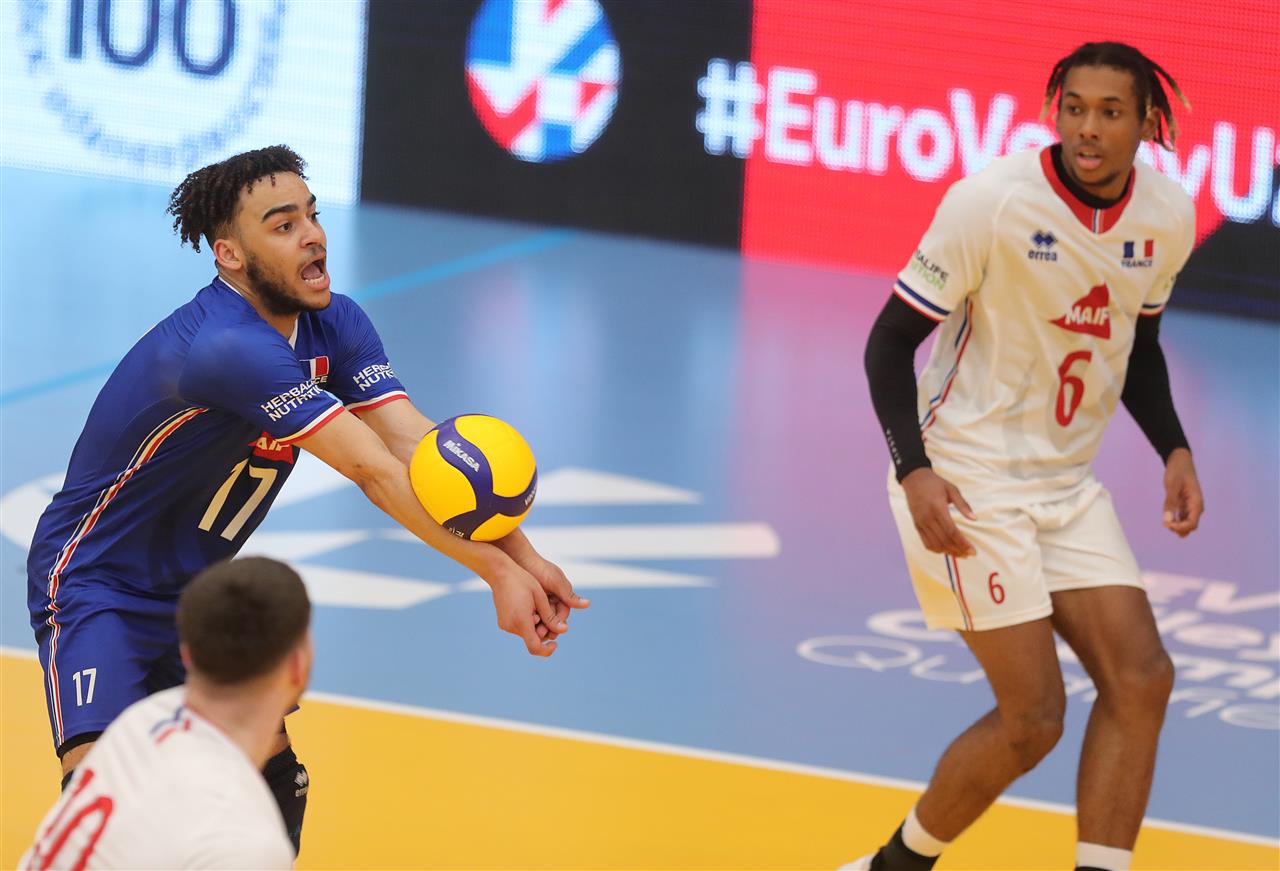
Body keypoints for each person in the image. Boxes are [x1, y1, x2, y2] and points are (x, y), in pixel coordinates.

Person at [26, 145, 588, 853]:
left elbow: (419, 451)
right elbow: (372, 470)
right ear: (230, 254)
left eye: (312, 216)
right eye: (283, 225)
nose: (313, 236)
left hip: (195, 590)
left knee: (273, 782)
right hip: (96, 581)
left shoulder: (335, 324)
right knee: (106, 798)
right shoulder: (227, 346)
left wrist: (526, 559)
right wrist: (497, 573)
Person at [854, 43, 1204, 871]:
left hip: (1066, 484)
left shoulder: (1167, 215)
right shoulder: (992, 202)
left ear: (1147, 124)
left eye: (1110, 112)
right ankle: (892, 867)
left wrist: (1174, 446)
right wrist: (915, 469)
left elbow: (1138, 345)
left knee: (1142, 677)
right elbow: (888, 343)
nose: (1087, 128)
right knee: (1034, 717)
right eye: (1073, 108)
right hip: (966, 477)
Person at [21, 557, 313, 870]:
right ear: (298, 668)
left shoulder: (141, 721)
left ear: (186, 655)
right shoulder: (248, 846)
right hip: (94, 577)